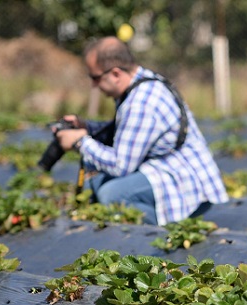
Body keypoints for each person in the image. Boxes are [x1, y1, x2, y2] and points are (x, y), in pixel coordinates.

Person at [55, 36, 229, 226]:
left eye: (95, 78)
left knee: (111, 195)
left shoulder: (141, 102)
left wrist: (80, 142)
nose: (94, 86)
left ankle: (173, 231)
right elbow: (126, 132)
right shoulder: (140, 82)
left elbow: (120, 166)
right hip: (169, 166)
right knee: (94, 184)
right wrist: (87, 127)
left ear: (115, 74)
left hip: (187, 180)